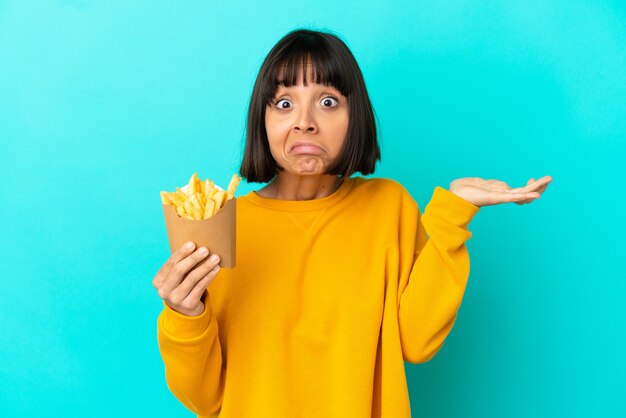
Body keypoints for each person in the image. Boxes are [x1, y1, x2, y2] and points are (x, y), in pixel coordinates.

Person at [153, 28, 552, 418]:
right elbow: (204, 399)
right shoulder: (220, 225)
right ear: (262, 119)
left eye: (327, 102)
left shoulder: (387, 206)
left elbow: (415, 341)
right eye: (284, 103)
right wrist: (184, 314)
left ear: (354, 115)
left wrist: (453, 215)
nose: (304, 122)